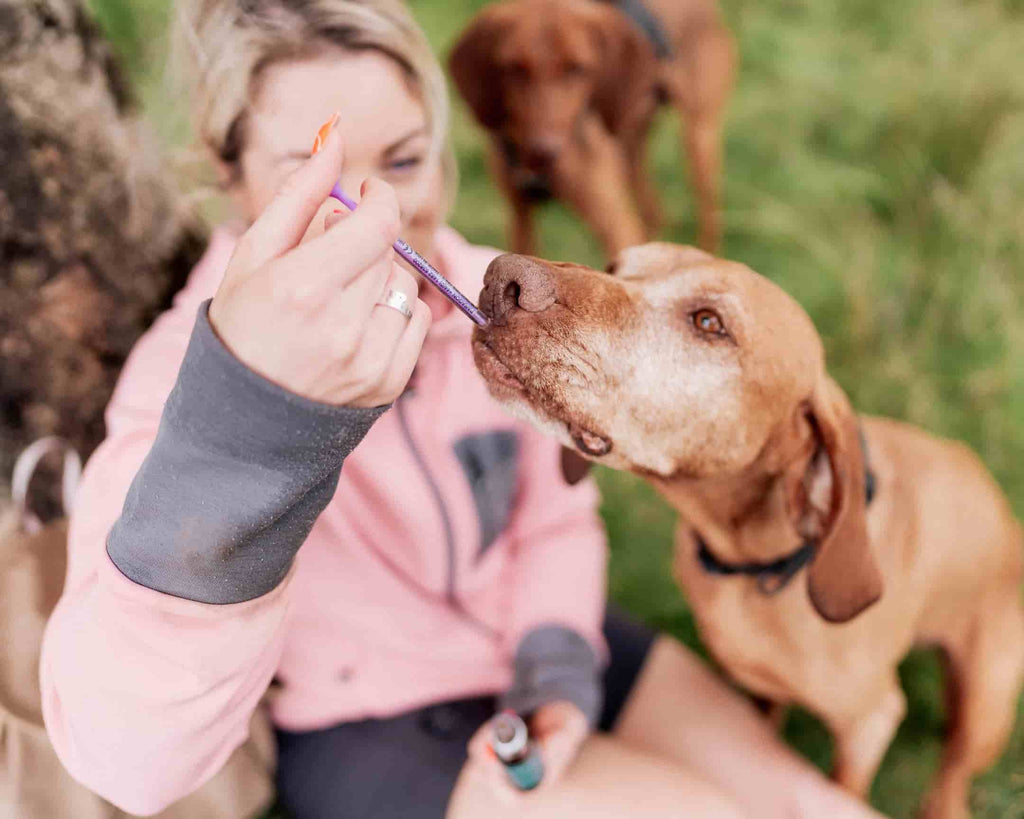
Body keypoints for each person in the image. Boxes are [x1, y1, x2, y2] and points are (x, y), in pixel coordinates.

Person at [40, 2, 884, 817]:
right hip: (373, 719)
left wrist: (555, 657)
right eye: (319, 178)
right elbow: (126, 761)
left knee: (809, 804)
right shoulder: (180, 385)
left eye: (403, 162)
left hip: (544, 631)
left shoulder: (499, 300)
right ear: (228, 172)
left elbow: (552, 515)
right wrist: (253, 426)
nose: (383, 216)